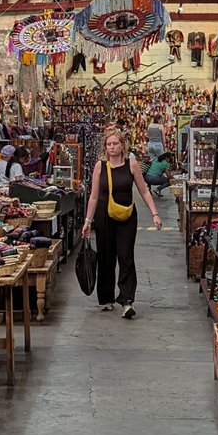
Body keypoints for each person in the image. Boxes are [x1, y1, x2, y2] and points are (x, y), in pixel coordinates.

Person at [81, 128, 162, 318]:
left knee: (126, 256)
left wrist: (155, 213)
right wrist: (87, 221)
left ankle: (127, 300)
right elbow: (93, 196)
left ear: (122, 145)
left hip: (127, 217)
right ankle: (106, 298)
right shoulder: (100, 166)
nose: (112, 147)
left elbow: (143, 190)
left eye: (115, 143)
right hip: (103, 216)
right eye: (109, 144)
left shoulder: (131, 164)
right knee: (106, 256)